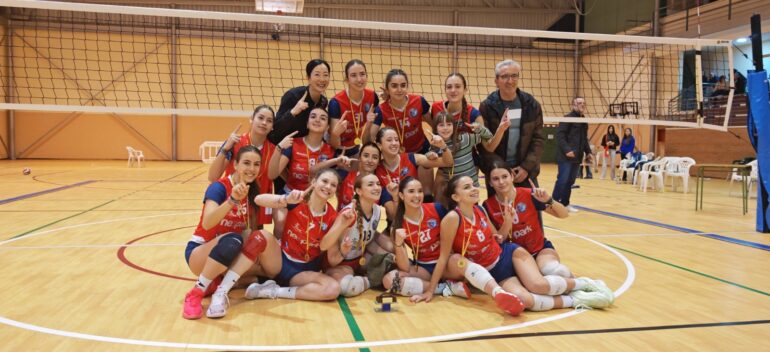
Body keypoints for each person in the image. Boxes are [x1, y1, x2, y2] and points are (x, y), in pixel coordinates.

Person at [411, 175, 614, 314]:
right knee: (525, 301)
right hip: (494, 272)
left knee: (539, 285)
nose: (474, 189)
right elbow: (444, 257)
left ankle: (586, 283)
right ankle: (576, 301)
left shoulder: (480, 211)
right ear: (455, 197)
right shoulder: (452, 219)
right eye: (467, 188)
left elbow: (498, 237)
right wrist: (430, 289)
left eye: (474, 185)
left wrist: (508, 221)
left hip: (509, 255)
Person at [183, 146, 291, 319]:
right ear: (235, 165)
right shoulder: (219, 188)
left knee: (264, 262)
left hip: (229, 254)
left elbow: (251, 232)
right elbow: (208, 222)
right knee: (233, 240)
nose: (251, 169)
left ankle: (221, 283)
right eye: (246, 163)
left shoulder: (252, 191)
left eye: (256, 164)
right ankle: (196, 293)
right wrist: (232, 200)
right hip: (201, 252)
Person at [244, 169, 342, 301]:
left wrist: (344, 246)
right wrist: (285, 199)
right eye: (324, 181)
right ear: (313, 182)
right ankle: (223, 288)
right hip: (280, 260)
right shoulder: (296, 201)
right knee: (234, 268)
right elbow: (258, 200)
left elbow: (329, 253)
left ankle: (275, 291)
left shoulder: (333, 217)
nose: (328, 186)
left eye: (333, 185)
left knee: (332, 289)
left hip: (303, 270)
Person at [268, 107, 352, 238]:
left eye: (323, 118)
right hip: (289, 194)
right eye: (313, 117)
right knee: (280, 226)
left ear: (327, 127)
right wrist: (279, 149)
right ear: (307, 123)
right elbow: (273, 174)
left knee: (309, 234)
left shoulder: (330, 151)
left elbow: (319, 174)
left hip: (314, 199)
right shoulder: (293, 144)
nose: (317, 120)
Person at [381, 177, 471, 298]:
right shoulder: (397, 226)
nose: (417, 195)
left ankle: (442, 284)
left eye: (420, 191)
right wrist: (398, 243)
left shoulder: (437, 209)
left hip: (447, 264)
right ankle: (443, 288)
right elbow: (405, 267)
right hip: (424, 268)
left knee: (461, 263)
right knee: (390, 280)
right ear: (401, 196)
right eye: (411, 191)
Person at [483, 162, 573, 278]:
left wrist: (549, 200)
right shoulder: (488, 205)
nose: (501, 182)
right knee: (536, 283)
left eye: (505, 176)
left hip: (539, 250)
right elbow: (498, 240)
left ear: (512, 176)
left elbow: (563, 214)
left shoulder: (529, 194)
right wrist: (507, 222)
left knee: (553, 270)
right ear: (490, 183)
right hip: (515, 258)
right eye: (495, 179)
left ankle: (587, 286)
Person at [478, 59, 544, 192]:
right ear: (496, 81)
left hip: (525, 172)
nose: (510, 80)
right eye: (505, 76)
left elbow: (538, 139)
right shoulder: (487, 106)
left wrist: (526, 167)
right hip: (498, 173)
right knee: (499, 211)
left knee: (530, 211)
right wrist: (501, 169)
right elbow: (483, 145)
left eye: (514, 76)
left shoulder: (531, 104)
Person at [207, 105, 277, 229]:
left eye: (269, 120)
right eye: (260, 118)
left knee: (255, 241)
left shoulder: (273, 150)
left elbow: (281, 175)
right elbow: (213, 177)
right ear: (251, 119)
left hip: (256, 203)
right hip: (234, 199)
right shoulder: (235, 142)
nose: (264, 123)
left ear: (272, 127)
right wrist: (225, 148)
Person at [370, 68, 436, 201]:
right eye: (394, 86)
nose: (399, 89)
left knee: (427, 195)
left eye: (403, 85)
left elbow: (434, 125)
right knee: (403, 196)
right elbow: (371, 137)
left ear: (407, 86)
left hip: (421, 151)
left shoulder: (418, 101)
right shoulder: (381, 109)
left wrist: (436, 147)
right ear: (387, 89)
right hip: (400, 158)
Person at [268, 59, 331, 197]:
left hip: (302, 155)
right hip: (280, 152)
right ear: (308, 77)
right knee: (282, 197)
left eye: (325, 75)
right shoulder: (293, 96)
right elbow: (275, 130)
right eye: (317, 74)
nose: (322, 79)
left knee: (306, 196)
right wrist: (293, 112)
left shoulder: (322, 101)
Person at [320, 173, 384, 297]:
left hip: (359, 259)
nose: (376, 187)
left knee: (392, 262)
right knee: (347, 288)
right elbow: (332, 257)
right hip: (340, 262)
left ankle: (366, 279)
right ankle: (372, 281)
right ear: (359, 191)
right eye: (370, 184)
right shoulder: (348, 214)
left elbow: (367, 239)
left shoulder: (377, 210)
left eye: (378, 184)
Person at [430, 111, 507, 205]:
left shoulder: (465, 139)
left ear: (454, 127)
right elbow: (430, 153)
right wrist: (431, 155)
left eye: (449, 124)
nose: (445, 128)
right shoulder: (436, 145)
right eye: (441, 125)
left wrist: (480, 129)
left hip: (471, 188)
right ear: (435, 128)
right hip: (454, 191)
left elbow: (488, 137)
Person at [374, 127, 452, 201]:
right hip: (395, 211)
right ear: (379, 145)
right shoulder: (376, 169)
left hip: (416, 207)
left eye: (396, 139)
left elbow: (447, 162)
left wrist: (443, 146)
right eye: (389, 140)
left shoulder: (411, 158)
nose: (394, 143)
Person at [328, 59, 379, 157]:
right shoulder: (336, 103)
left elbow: (367, 141)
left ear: (367, 76)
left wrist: (368, 124)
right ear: (347, 80)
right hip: (337, 152)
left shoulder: (372, 97)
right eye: (353, 75)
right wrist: (335, 133)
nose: (359, 79)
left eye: (362, 74)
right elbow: (334, 144)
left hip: (357, 148)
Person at [553, 97, 592, 213]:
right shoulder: (567, 118)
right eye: (579, 103)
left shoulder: (583, 120)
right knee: (562, 180)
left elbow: (584, 139)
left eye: (584, 103)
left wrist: (588, 152)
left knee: (570, 182)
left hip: (577, 157)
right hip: (566, 156)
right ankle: (554, 204)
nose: (582, 105)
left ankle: (565, 203)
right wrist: (567, 150)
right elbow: (560, 136)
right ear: (573, 105)